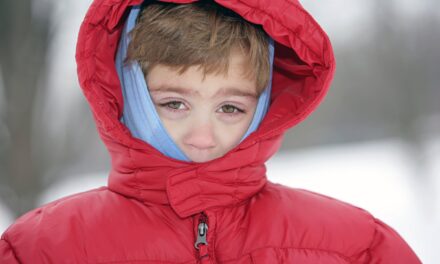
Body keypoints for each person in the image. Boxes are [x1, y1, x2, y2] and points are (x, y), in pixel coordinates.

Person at [0, 0, 421, 263]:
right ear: (131, 96)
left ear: (263, 107)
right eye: (174, 104)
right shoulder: (39, 251)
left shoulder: (357, 247)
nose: (203, 136)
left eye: (230, 108)